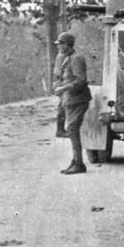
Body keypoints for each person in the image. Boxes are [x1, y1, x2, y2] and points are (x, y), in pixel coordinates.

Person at [54, 32, 92, 175]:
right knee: (71, 130)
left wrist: (63, 88)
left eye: (61, 44)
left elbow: (81, 80)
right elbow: (58, 76)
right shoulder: (63, 58)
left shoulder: (77, 59)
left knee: (72, 129)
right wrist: (57, 87)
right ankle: (75, 161)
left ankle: (79, 163)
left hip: (78, 100)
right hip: (68, 99)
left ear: (68, 45)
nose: (59, 47)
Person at [52, 51, 68, 138]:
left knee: (62, 106)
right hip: (62, 82)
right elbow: (59, 72)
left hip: (62, 82)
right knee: (62, 106)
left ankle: (61, 129)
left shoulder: (62, 55)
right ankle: (60, 130)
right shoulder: (62, 56)